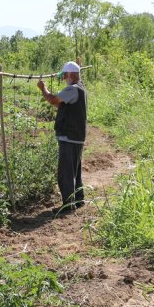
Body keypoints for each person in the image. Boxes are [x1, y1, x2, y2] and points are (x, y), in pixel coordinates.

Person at [37, 61, 87, 215]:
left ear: (71, 74)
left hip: (69, 136)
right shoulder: (81, 88)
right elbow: (61, 104)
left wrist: (43, 89)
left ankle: (67, 205)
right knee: (74, 171)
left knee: (65, 172)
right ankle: (78, 199)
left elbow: (53, 100)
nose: (64, 78)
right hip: (77, 136)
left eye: (65, 75)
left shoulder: (72, 89)